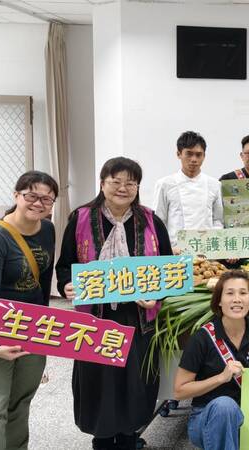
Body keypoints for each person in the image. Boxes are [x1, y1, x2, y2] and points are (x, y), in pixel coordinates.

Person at [56, 157, 173, 450]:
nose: (123, 188)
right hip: (96, 317)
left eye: (130, 183)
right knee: (101, 381)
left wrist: (157, 295)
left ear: (138, 187)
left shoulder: (151, 220)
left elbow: (168, 269)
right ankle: (103, 438)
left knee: (136, 380)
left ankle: (130, 436)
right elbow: (65, 265)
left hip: (139, 317)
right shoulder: (81, 218)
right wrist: (66, 284)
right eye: (116, 181)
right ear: (102, 183)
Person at [0, 171, 58, 450]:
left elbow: (44, 282)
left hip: (30, 327)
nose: (38, 203)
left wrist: (46, 331)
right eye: (31, 196)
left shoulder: (47, 229)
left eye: (47, 199)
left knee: (20, 403)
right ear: (16, 196)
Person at [174, 270, 249, 450]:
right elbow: (179, 391)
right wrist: (220, 378)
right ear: (219, 301)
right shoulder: (202, 338)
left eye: (243, 293)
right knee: (224, 406)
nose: (237, 299)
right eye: (230, 293)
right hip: (206, 419)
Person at [153, 131, 223, 251]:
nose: (194, 159)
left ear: (204, 156)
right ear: (179, 154)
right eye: (189, 154)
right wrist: (167, 248)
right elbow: (158, 221)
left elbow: (218, 220)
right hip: (175, 251)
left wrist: (214, 244)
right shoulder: (165, 184)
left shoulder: (214, 185)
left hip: (207, 250)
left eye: (198, 155)